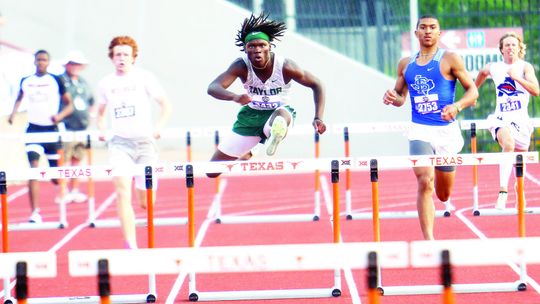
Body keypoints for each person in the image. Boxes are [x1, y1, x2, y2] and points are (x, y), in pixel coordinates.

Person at [383, 15, 478, 240]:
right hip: (419, 130)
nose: (427, 31)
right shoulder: (406, 64)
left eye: (432, 27)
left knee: (444, 195)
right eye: (423, 28)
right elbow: (400, 97)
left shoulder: (450, 59)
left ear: (439, 33)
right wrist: (391, 96)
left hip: (446, 132)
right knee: (424, 182)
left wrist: (456, 106)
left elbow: (473, 92)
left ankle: (441, 187)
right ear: (416, 33)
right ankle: (429, 240)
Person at [206, 13, 326, 177]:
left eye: (262, 45)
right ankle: (256, 145)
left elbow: (317, 84)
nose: (257, 50)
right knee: (211, 171)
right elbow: (213, 87)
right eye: (252, 46)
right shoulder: (241, 65)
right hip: (251, 116)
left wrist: (318, 117)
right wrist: (234, 97)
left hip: (280, 111)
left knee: (279, 119)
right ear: (245, 48)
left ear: (269, 46)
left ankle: (268, 137)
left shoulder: (286, 66)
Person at [96, 36, 171, 249]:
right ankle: (130, 243)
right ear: (112, 58)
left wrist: (159, 127)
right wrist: (101, 130)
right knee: (121, 191)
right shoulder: (105, 84)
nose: (121, 58)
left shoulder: (145, 78)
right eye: (118, 54)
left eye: (126, 55)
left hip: (145, 143)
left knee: (146, 202)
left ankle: (144, 213)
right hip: (119, 144)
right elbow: (100, 114)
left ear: (133, 58)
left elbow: (166, 105)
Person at [8, 49, 74, 223]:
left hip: (52, 132)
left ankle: (62, 189)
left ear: (48, 62)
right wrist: (13, 114)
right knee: (34, 170)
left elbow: (70, 105)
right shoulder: (26, 81)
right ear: (34, 62)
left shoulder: (56, 80)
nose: (41, 63)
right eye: (38, 60)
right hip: (33, 131)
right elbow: (18, 98)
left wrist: (59, 117)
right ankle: (35, 213)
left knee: (55, 177)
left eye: (44, 60)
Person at [475, 32, 539, 209]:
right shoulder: (494, 67)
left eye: (513, 44)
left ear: (520, 48)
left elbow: (536, 90)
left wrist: (516, 77)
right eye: (507, 45)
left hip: (521, 121)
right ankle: (502, 192)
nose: (510, 47)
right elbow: (482, 72)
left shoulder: (526, 67)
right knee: (508, 144)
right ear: (501, 50)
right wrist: (474, 92)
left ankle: (520, 192)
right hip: (501, 118)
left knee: (520, 160)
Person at [58, 50, 95, 204]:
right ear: (67, 64)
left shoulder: (83, 82)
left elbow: (91, 102)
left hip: (81, 128)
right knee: (64, 160)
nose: (75, 66)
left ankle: (75, 190)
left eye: (78, 64)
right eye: (72, 63)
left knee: (77, 159)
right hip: (66, 127)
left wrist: (89, 117)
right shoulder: (61, 81)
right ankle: (63, 191)